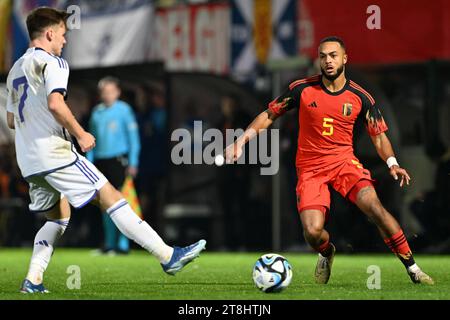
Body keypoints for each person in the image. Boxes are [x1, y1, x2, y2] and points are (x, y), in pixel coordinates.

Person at [5, 7, 206, 294]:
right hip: (55, 153)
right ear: (49, 33)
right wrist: (81, 133)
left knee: (58, 218)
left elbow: (12, 121)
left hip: (29, 160)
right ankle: (167, 255)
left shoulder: (14, 70)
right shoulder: (54, 62)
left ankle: (32, 280)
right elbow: (55, 103)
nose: (64, 41)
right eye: (62, 34)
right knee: (112, 196)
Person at [225, 36, 433, 285]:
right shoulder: (301, 89)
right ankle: (326, 252)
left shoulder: (360, 97)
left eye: (333, 55)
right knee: (312, 233)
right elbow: (269, 115)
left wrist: (392, 163)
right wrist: (240, 141)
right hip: (311, 169)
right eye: (323, 56)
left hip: (344, 164)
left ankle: (413, 268)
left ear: (344, 58)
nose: (328, 61)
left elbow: (378, 136)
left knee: (375, 208)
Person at [87, 76, 141, 255]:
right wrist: (89, 163)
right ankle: (109, 243)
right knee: (105, 204)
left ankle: (123, 244)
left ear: (117, 92)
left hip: (119, 160)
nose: (108, 95)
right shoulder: (97, 113)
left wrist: (133, 162)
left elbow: (134, 139)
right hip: (101, 161)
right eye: (104, 92)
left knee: (123, 202)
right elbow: (91, 140)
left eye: (111, 91)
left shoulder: (124, 110)